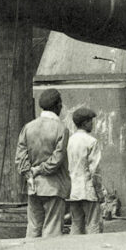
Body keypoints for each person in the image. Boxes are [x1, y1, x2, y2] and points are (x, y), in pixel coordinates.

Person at [15, 88, 70, 239]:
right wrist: (39, 169)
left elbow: (20, 159)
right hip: (54, 187)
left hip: (33, 187)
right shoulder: (62, 129)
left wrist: (30, 173)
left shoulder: (28, 127)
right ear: (58, 105)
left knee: (33, 229)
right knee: (51, 231)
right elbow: (56, 160)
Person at [66, 106, 102, 235]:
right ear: (85, 123)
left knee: (76, 223)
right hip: (88, 189)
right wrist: (99, 192)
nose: (92, 124)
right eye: (91, 121)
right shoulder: (92, 141)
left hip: (73, 190)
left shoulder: (69, 141)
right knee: (93, 223)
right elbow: (95, 170)